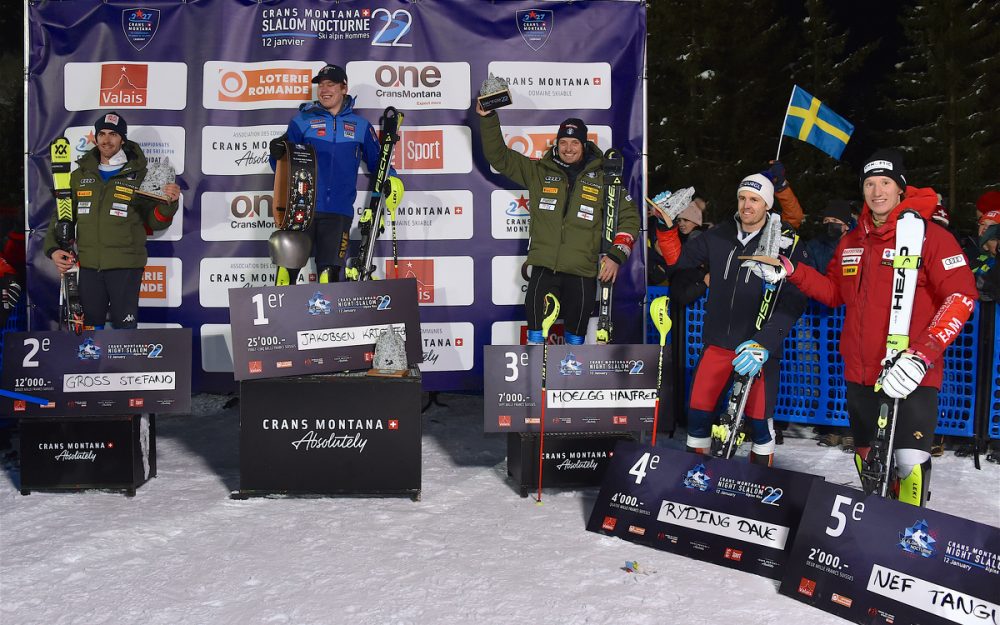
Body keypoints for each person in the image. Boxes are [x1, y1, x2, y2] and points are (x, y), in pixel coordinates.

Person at [770, 149, 978, 506]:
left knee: (909, 464)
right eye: (869, 183)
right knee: (869, 462)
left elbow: (961, 297)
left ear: (900, 189)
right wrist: (793, 272)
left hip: (911, 372)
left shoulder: (931, 237)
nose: (877, 191)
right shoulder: (852, 241)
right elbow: (835, 293)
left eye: (885, 183)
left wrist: (922, 355)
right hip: (861, 373)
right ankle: (875, 529)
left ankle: (907, 535)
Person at [653, 174, 808, 466]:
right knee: (698, 418)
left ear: (767, 204)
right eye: (742, 198)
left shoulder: (785, 241)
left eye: (754, 199)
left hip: (758, 349)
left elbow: (795, 299)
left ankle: (760, 491)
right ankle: (694, 481)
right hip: (718, 344)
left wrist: (766, 342)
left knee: (760, 426)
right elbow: (679, 273)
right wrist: (665, 227)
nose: (746, 205)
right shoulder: (718, 235)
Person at [476, 103, 639, 345]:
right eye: (563, 142)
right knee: (534, 336)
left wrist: (616, 255)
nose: (568, 148)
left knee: (575, 339)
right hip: (544, 269)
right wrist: (488, 117)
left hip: (581, 272)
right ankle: (532, 381)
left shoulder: (604, 177)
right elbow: (499, 157)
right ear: (557, 144)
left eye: (574, 143)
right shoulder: (539, 172)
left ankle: (569, 381)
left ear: (584, 145)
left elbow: (630, 217)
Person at [44, 112, 180, 329]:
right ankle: (91, 365)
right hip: (88, 266)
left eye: (113, 134)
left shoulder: (141, 175)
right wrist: (52, 248)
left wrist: (169, 203)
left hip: (125, 266)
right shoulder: (80, 175)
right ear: (96, 138)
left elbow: (156, 222)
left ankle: (123, 365)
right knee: (89, 330)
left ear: (123, 139)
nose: (107, 140)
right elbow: (62, 214)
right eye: (102, 134)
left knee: (124, 332)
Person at [269, 63, 398, 284]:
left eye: (331, 84)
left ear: (344, 88)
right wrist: (276, 154)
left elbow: (379, 161)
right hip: (301, 208)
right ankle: (279, 319)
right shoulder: (301, 121)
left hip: (338, 213)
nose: (324, 89)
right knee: (285, 274)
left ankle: (324, 319)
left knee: (329, 277)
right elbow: (281, 166)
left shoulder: (360, 126)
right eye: (321, 85)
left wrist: (393, 180)